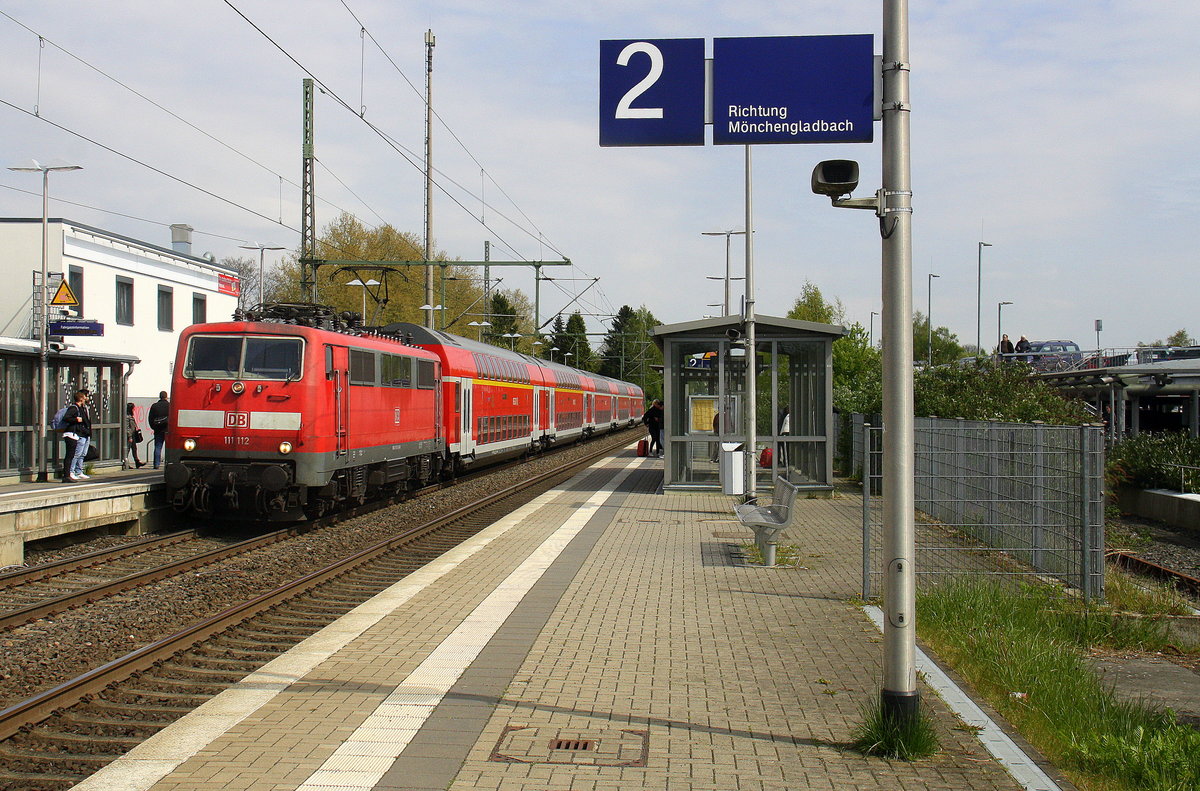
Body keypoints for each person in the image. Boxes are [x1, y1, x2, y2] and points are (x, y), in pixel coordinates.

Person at [62, 390, 92, 482]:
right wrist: (76, 419)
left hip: (78, 433)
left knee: (76, 454)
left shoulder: (81, 408)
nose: (86, 399)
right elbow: (66, 418)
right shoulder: (74, 408)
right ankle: (69, 473)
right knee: (72, 455)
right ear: (81, 399)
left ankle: (73, 472)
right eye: (84, 397)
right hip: (72, 434)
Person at [148, 390, 170, 469]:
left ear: (159, 396)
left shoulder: (154, 406)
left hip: (158, 430)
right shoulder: (170, 405)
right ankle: (169, 463)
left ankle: (156, 464)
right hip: (168, 429)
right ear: (166, 397)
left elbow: (150, 418)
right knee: (169, 448)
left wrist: (153, 427)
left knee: (158, 447)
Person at [126, 402, 146, 468]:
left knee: (134, 448)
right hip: (130, 435)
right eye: (133, 408)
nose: (134, 409)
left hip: (133, 434)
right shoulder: (127, 417)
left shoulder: (130, 416)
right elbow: (127, 428)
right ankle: (125, 462)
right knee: (128, 449)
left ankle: (137, 461)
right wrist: (129, 436)